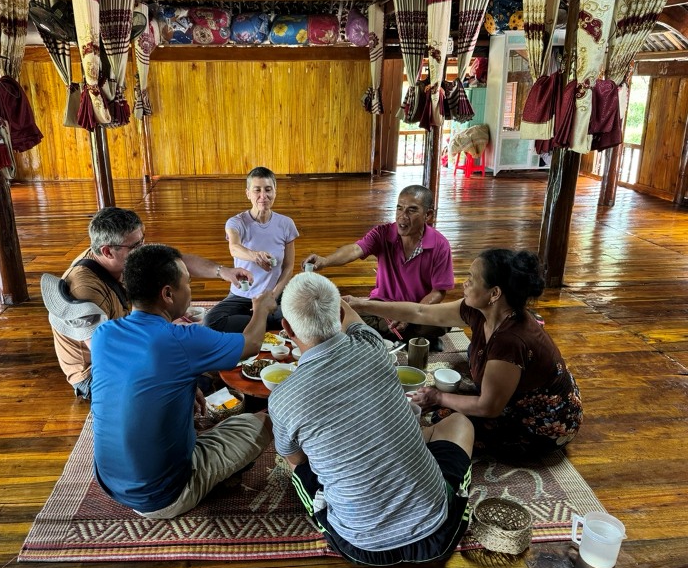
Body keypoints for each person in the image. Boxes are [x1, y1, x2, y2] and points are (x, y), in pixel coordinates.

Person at [269, 272, 474, 566]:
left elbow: (297, 458)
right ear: (339, 313)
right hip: (438, 536)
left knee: (298, 467)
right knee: (460, 424)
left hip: (360, 547)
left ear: (286, 327)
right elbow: (349, 316)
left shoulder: (282, 398)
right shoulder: (373, 345)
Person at [90, 244, 275, 518]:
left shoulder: (104, 334)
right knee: (270, 418)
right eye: (187, 283)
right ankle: (209, 480)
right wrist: (261, 308)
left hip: (111, 483)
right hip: (164, 496)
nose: (190, 290)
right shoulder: (181, 340)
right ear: (167, 294)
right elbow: (251, 344)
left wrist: (187, 387)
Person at [346, 248, 583, 459]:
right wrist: (361, 304)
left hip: (544, 423)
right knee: (436, 408)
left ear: (495, 293)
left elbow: (489, 408)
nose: (464, 283)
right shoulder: (481, 311)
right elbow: (420, 312)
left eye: (472, 278)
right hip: (509, 396)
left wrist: (437, 397)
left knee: (440, 422)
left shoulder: (510, 339)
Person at [50, 207, 253, 399]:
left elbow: (171, 262)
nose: (142, 248)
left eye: (142, 241)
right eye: (136, 246)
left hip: (124, 342)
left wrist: (223, 271)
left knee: (204, 363)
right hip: (95, 373)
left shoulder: (117, 253)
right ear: (107, 251)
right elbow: (110, 355)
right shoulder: (84, 288)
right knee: (196, 378)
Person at [301, 185, 453, 349]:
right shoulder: (383, 233)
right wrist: (325, 261)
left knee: (443, 320)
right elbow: (355, 249)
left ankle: (380, 336)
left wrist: (410, 316)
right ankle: (413, 340)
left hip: (416, 310)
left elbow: (438, 292)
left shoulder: (440, 245)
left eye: (412, 210)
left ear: (427, 215)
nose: (403, 216)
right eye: (399, 208)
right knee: (337, 312)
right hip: (381, 307)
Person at [204, 167, 298, 333]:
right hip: (243, 296)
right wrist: (255, 256)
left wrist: (273, 296)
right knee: (211, 321)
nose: (263, 196)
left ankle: (255, 323)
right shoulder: (236, 222)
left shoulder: (286, 224)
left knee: (300, 318)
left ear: (275, 191)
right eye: (257, 190)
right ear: (248, 193)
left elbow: (289, 267)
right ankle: (264, 323)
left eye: (268, 190)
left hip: (273, 295)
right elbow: (234, 248)